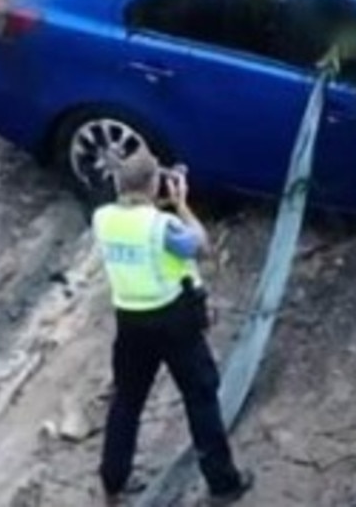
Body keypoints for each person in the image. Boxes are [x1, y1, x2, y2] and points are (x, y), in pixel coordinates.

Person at [92, 150, 253, 505]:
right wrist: (180, 204)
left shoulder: (103, 218)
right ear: (154, 185)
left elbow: (130, 214)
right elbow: (201, 246)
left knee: (127, 401)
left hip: (130, 322)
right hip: (174, 321)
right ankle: (223, 483)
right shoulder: (162, 226)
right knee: (200, 397)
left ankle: (113, 481)